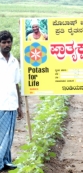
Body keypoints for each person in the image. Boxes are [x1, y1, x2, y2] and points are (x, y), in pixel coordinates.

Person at [0, 30, 23, 171]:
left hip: (12, 103)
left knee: (8, 137)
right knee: (1, 136)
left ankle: (6, 161)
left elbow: (16, 84)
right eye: (3, 42)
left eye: (9, 42)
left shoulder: (15, 61)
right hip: (0, 104)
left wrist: (19, 105)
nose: (7, 44)